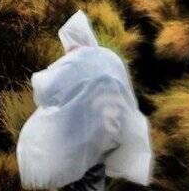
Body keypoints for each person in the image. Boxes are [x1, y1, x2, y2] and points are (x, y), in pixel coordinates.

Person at [17, 11, 152, 191]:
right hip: (110, 129)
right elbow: (125, 88)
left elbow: (44, 89)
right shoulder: (110, 56)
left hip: (79, 135)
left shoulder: (72, 62)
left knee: (79, 175)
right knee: (95, 175)